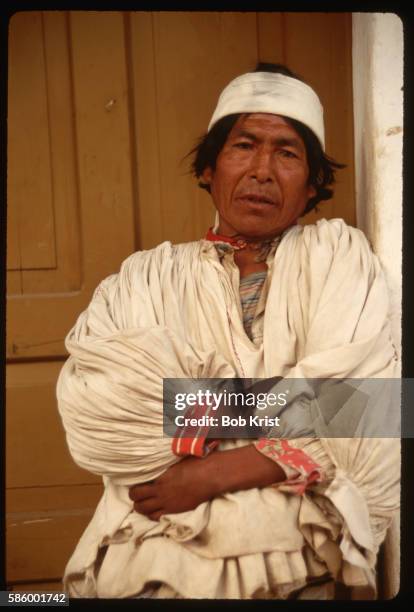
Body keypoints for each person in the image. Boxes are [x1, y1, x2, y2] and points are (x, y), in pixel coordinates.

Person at [57, 63, 400, 600]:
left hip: (298, 542)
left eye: (287, 153)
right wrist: (295, 408)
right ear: (208, 168)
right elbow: (99, 409)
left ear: (312, 185)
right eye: (244, 145)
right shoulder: (144, 278)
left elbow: (369, 406)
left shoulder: (337, 256)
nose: (263, 170)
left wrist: (215, 470)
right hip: (156, 541)